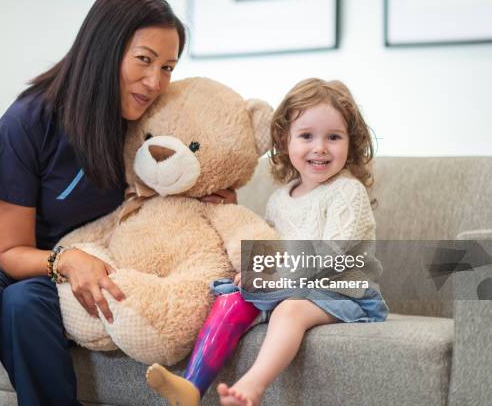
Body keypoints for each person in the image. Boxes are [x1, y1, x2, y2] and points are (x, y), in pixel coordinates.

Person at [0, 0, 234, 405]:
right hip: (23, 255)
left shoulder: (146, 126)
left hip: (92, 259)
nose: (156, 82)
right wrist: (66, 259)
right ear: (104, 47)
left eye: (168, 68)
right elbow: (12, 251)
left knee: (23, 305)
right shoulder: (27, 121)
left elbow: (179, 171)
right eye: (144, 60)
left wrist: (210, 192)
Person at [146, 78, 389, 406]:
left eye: (333, 137)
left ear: (351, 142)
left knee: (289, 310)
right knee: (231, 298)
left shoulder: (347, 192)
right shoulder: (280, 199)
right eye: (306, 136)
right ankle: (191, 386)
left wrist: (273, 278)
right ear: (284, 142)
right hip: (293, 284)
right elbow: (270, 247)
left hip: (342, 292)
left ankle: (252, 387)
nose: (319, 147)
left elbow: (331, 255)